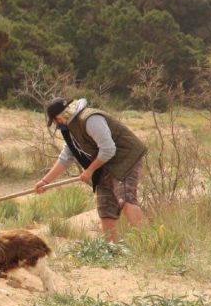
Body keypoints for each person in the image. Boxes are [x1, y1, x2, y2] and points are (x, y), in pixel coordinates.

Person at [37, 97, 148, 241]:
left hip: (125, 158)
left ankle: (150, 244)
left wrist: (89, 171)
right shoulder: (71, 129)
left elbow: (108, 149)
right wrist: (45, 181)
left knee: (125, 198)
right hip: (105, 164)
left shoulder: (90, 119)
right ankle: (112, 248)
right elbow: (67, 156)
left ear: (62, 115)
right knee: (105, 206)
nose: (57, 125)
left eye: (56, 120)